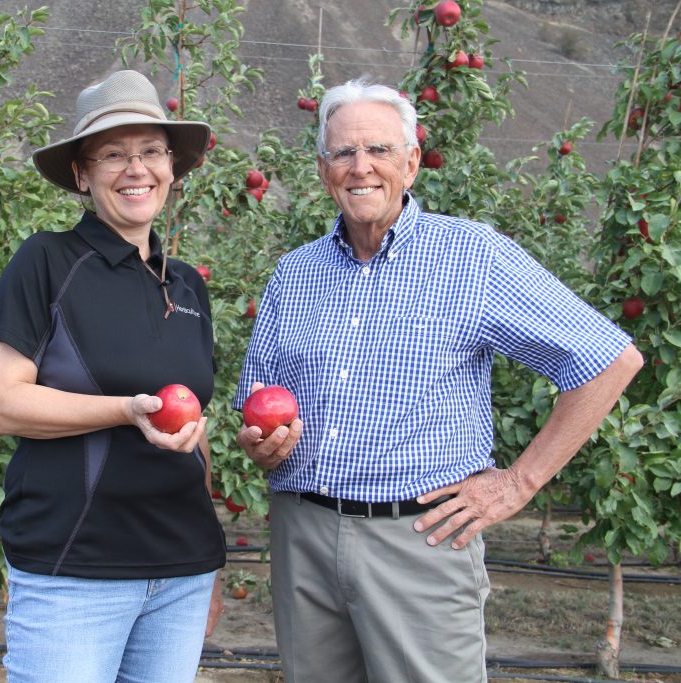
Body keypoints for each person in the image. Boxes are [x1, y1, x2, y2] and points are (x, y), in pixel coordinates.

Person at [233, 78, 643, 683]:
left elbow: (609, 359)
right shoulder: (295, 274)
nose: (360, 167)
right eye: (343, 153)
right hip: (304, 535)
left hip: (417, 539)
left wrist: (518, 483)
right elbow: (259, 399)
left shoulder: (471, 256)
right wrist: (260, 445)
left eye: (378, 150)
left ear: (413, 162)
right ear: (323, 171)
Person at [0, 69, 226, 683]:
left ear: (172, 167)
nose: (136, 168)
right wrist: (126, 410)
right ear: (83, 175)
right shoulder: (47, 261)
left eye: (151, 151)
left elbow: (196, 425)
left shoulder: (188, 283)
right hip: (76, 568)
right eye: (113, 153)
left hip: (180, 569)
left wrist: (209, 561)